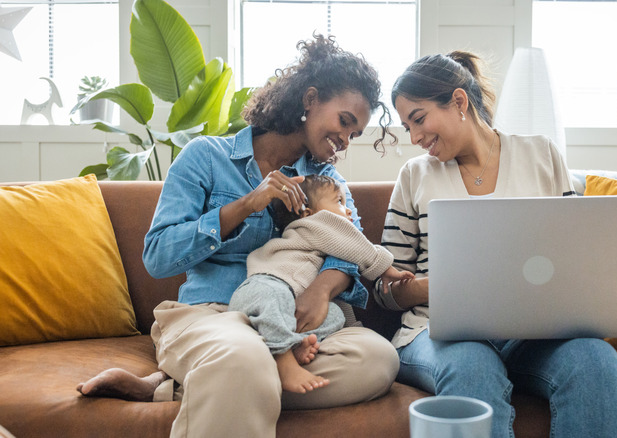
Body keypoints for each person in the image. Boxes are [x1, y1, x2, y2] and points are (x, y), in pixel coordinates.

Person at [77, 34, 400, 438]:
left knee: (377, 359)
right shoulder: (206, 157)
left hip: (289, 324)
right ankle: (235, 373)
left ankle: (176, 389)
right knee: (244, 359)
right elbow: (158, 256)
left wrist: (318, 291)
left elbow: (347, 250)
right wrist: (247, 204)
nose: (345, 142)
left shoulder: (327, 182)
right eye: (344, 122)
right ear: (310, 99)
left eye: (354, 134)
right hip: (210, 314)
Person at [374, 51, 617, 437]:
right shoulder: (414, 175)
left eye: (419, 119)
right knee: (472, 366)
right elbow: (384, 290)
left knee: (595, 360)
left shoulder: (541, 153)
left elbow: (575, 257)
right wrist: (440, 286)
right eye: (407, 127)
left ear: (459, 102)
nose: (414, 137)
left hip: (536, 335)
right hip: (437, 334)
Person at [228, 174, 414, 394]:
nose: (348, 211)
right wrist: (385, 267)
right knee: (274, 297)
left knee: (335, 315)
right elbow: (352, 242)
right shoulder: (311, 225)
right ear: (308, 213)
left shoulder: (322, 241)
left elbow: (342, 287)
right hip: (263, 288)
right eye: (339, 202)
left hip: (289, 309)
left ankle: (294, 343)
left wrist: (351, 325)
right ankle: (283, 361)